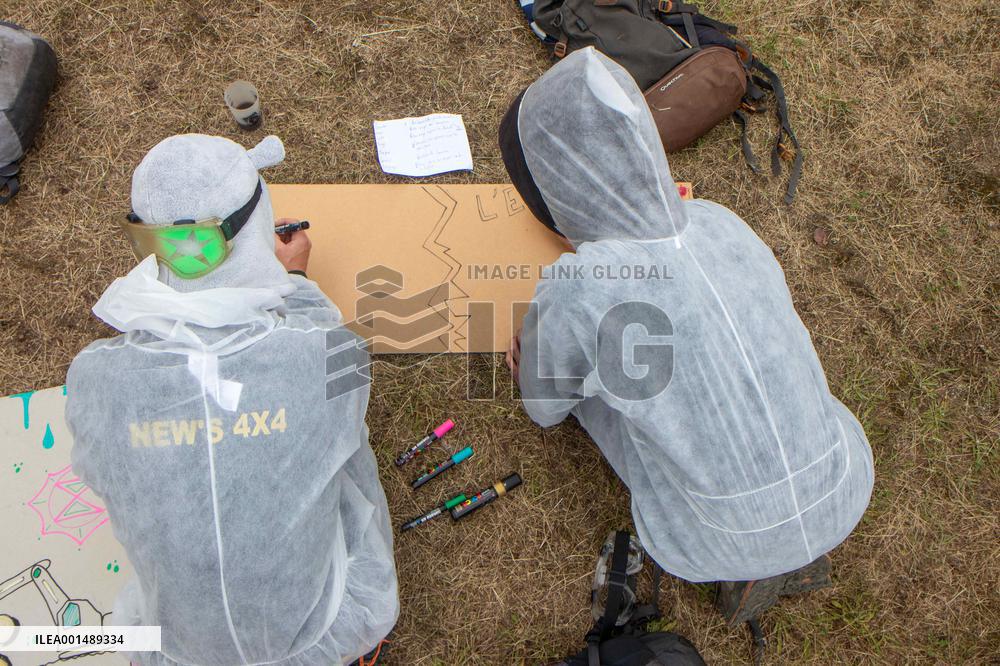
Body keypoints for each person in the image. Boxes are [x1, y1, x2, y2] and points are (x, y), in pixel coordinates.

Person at [499, 48, 874, 625]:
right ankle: (791, 543)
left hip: (710, 538)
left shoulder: (583, 285)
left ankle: (752, 562)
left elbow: (544, 408)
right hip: (844, 483)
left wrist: (536, 355)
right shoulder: (721, 222)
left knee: (590, 390)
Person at [65, 134, 398, 665]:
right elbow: (322, 359)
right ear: (256, 230)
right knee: (349, 458)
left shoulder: (95, 378)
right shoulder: (329, 353)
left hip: (171, 651)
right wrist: (295, 280)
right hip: (320, 635)